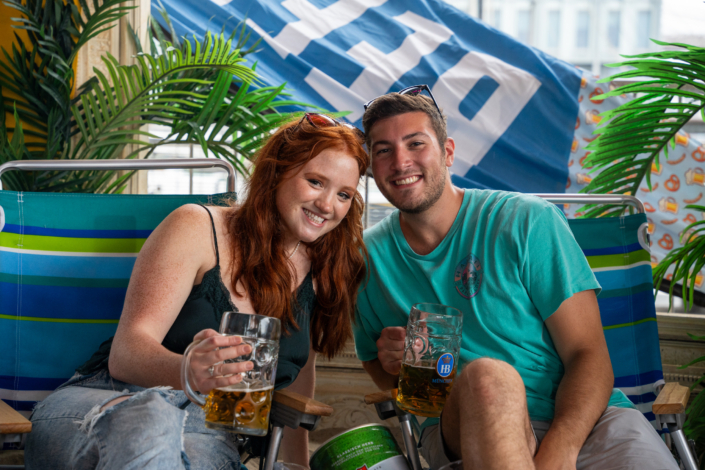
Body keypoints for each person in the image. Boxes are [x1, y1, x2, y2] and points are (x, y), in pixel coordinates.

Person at [353, 86, 678, 470]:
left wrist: (560, 448)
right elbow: (377, 364)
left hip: (587, 421)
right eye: (383, 150)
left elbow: (588, 355)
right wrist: (394, 365)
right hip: (462, 425)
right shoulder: (364, 260)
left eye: (415, 143)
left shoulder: (525, 221)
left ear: (448, 152)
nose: (400, 161)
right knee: (488, 377)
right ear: (371, 166)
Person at [25, 113, 369, 470]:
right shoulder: (196, 226)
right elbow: (125, 355)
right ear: (277, 172)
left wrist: (299, 465)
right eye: (315, 182)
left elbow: (298, 378)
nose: (328, 205)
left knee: (198, 454)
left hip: (208, 428)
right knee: (153, 421)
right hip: (106, 399)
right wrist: (189, 370)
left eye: (343, 194)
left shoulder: (324, 269)